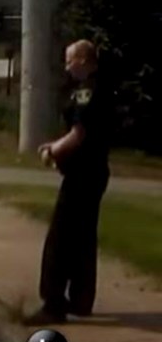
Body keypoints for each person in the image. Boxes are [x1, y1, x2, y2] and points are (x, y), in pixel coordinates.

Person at [25, 40, 114, 325]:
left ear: (84, 60)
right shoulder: (102, 87)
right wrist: (55, 145)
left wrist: (53, 151)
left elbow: (79, 134)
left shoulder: (87, 91)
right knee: (83, 238)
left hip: (82, 174)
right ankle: (81, 298)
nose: (67, 67)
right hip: (95, 171)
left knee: (61, 239)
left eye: (70, 61)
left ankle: (53, 303)